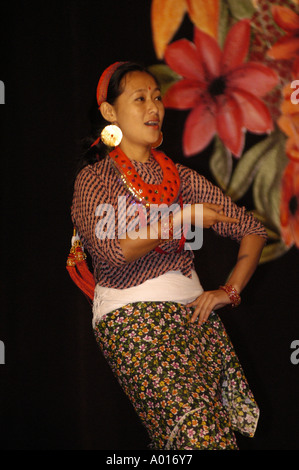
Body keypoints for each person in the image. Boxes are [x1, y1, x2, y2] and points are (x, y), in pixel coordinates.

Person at [70, 61, 267, 450]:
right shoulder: (95, 180)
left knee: (192, 442)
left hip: (195, 318)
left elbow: (253, 230)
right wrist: (183, 217)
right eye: (139, 98)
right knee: (197, 434)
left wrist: (229, 290)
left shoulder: (184, 180)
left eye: (157, 98)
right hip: (132, 317)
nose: (154, 108)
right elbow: (112, 252)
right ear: (110, 113)